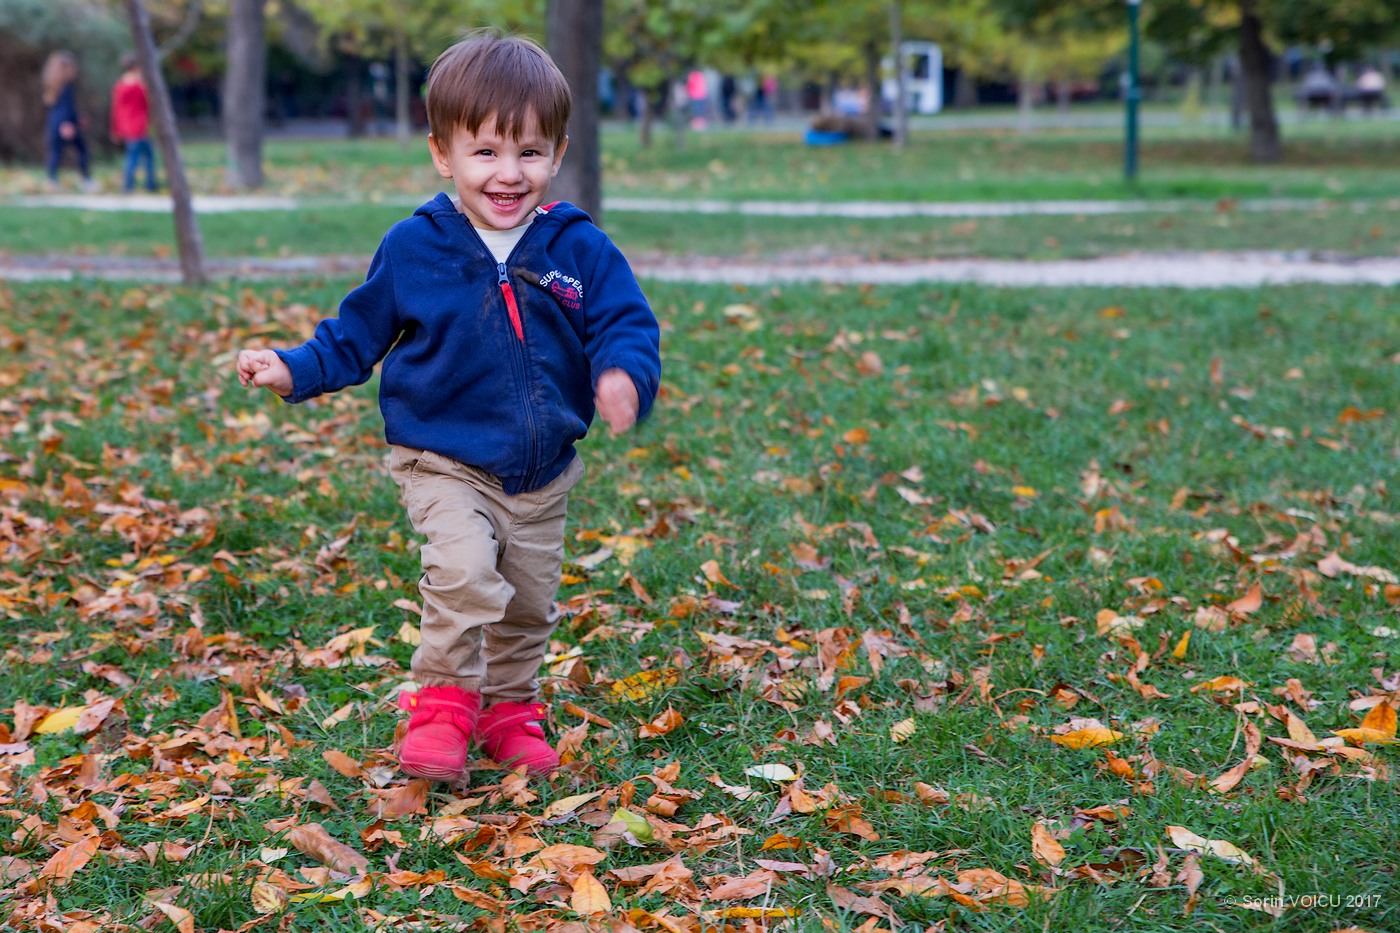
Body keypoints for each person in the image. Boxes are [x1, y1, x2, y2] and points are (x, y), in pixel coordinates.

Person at [235, 30, 661, 784]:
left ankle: (508, 711)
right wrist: (295, 367)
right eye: (486, 151)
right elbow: (356, 334)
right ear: (443, 153)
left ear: (558, 153)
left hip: (542, 474)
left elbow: (624, 323)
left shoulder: (579, 249)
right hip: (443, 460)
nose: (509, 172)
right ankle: (440, 706)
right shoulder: (415, 248)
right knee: (464, 573)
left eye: (530, 152)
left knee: (527, 605)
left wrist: (625, 373)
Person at [41, 50, 95, 192]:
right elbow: (67, 108)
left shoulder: (53, 86)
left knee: (56, 152)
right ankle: (85, 179)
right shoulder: (66, 86)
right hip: (65, 124)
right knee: (82, 149)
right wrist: (68, 123)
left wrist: (77, 119)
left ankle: (51, 180)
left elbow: (58, 108)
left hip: (54, 123)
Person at [110, 54, 158, 193]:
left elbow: (116, 109)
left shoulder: (119, 85)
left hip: (126, 126)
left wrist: (115, 129)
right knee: (147, 156)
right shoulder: (140, 86)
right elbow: (148, 104)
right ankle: (149, 184)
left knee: (132, 156)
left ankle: (129, 185)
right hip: (140, 125)